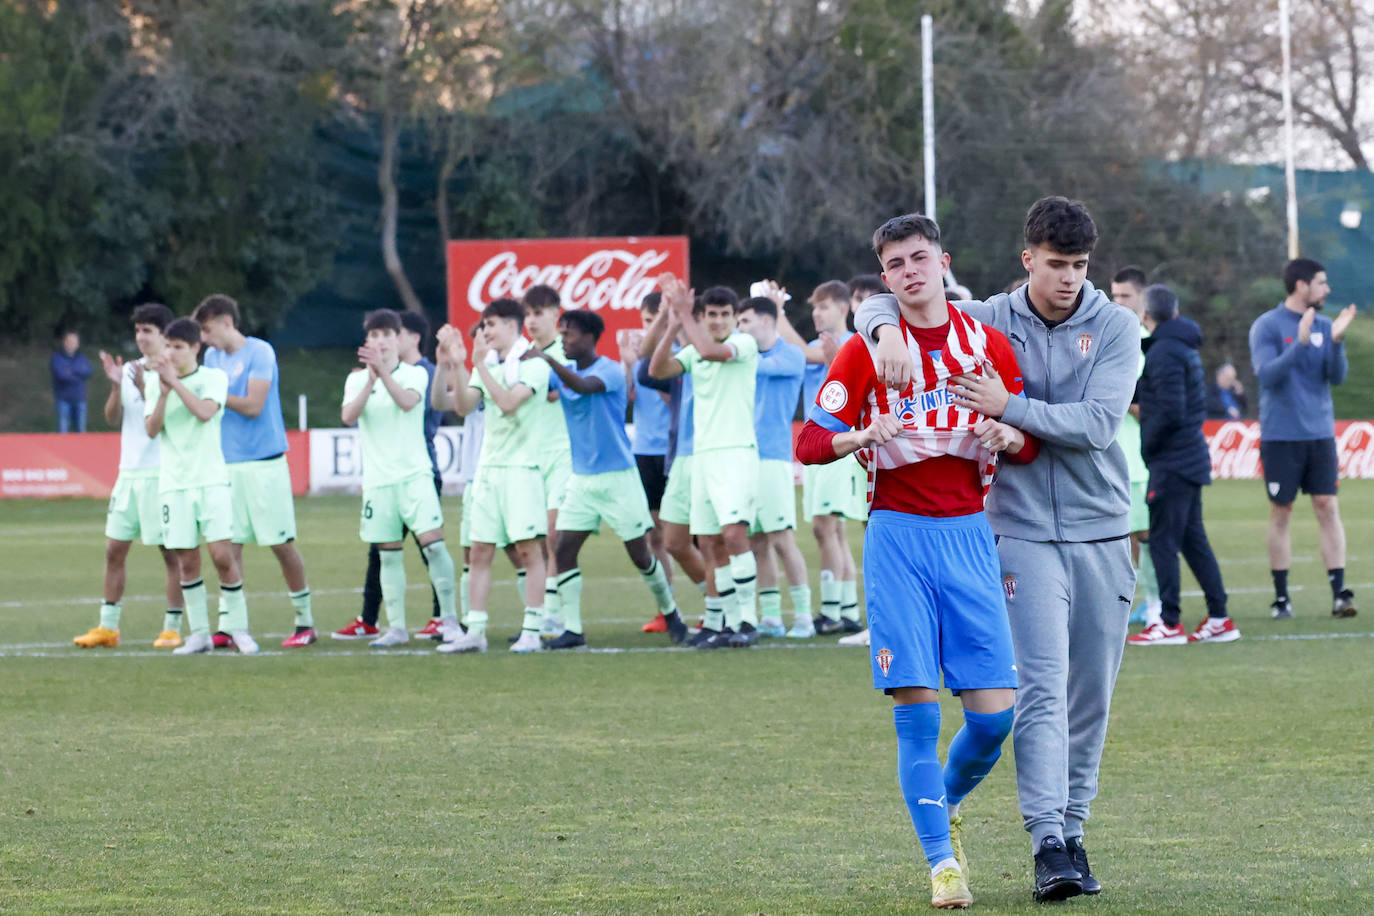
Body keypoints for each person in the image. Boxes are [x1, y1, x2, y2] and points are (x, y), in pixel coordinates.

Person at [856, 197, 1140, 902]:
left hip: (1104, 530)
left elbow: (1098, 425)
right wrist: (883, 328)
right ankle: (1048, 844)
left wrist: (1006, 407)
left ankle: (1074, 828)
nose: (1069, 278)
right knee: (1039, 690)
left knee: (1091, 697)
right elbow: (902, 296)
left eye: (1079, 266)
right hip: (1019, 533)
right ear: (1027, 259)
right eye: (1056, 264)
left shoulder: (1116, 326)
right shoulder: (988, 317)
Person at [800, 213, 1038, 909]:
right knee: (918, 712)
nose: (909, 271)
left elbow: (1028, 439)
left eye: (918, 258)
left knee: (994, 719)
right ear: (885, 277)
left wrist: (1008, 434)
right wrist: (862, 436)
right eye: (895, 263)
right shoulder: (866, 349)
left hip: (969, 536)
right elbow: (810, 442)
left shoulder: (985, 342)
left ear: (943, 262)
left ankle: (946, 801)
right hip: (898, 538)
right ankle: (942, 865)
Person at [525, 309, 687, 648]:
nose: (563, 340)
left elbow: (584, 387)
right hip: (581, 480)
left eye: (568, 334)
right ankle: (572, 630)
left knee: (640, 555)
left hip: (618, 479)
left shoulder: (609, 371)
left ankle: (671, 613)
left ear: (589, 338)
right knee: (563, 551)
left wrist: (548, 360)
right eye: (561, 334)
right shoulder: (563, 371)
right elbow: (539, 390)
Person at [194, 295, 315, 648]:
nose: (204, 338)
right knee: (228, 548)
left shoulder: (260, 352)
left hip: (265, 463)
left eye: (207, 329)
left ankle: (305, 622)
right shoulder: (212, 358)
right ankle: (231, 625)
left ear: (227, 322)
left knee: (281, 544)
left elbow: (253, 405)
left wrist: (215, 395)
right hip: (227, 464)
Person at [339, 309, 460, 648]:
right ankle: (396, 628)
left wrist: (384, 375)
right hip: (378, 482)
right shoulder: (355, 380)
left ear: (397, 339)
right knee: (388, 554)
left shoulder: (415, 374)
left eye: (386, 335)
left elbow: (407, 403)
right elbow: (348, 416)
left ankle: (449, 620)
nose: (380, 341)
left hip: (415, 476)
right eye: (374, 335)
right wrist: (371, 380)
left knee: (434, 546)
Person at [650, 281, 761, 649]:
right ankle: (726, 623)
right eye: (711, 314)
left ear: (735, 318)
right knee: (711, 542)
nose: (717, 321)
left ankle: (748, 620)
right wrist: (672, 324)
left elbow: (712, 352)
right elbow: (657, 369)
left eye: (724, 314)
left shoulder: (743, 344)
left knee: (734, 536)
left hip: (736, 453)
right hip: (703, 457)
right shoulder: (694, 349)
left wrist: (685, 315)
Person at [435, 298, 549, 654]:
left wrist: (480, 366)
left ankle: (533, 630)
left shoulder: (534, 363)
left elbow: (508, 403)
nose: (484, 332)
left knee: (528, 551)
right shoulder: (489, 365)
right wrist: (457, 364)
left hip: (522, 470)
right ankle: (476, 631)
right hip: (487, 471)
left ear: (512, 326)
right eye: (483, 325)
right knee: (479, 552)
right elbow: (463, 406)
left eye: (491, 325)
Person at [1127, 285, 1238, 646]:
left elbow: (1170, 410)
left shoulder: (1165, 351)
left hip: (1173, 460)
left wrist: (1151, 441)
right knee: (1192, 540)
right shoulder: (1179, 346)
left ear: (1146, 315)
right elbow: (1157, 396)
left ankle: (1169, 622)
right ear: (1174, 312)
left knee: (1161, 540)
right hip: (1187, 457)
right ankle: (1219, 618)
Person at [1248, 258, 1358, 619]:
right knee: (1282, 512)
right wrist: (1299, 343)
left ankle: (1340, 594)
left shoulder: (1326, 325)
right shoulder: (1267, 325)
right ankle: (1282, 599)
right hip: (1281, 436)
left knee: (1327, 506)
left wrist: (1336, 342)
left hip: (1320, 434)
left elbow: (1336, 377)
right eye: (1321, 283)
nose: (1327, 289)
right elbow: (1267, 376)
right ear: (1301, 285)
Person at [73, 304, 185, 649]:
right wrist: (115, 387)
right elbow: (112, 418)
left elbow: (164, 422)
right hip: (128, 474)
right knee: (114, 550)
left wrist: (147, 387)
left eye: (147, 330)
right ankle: (108, 627)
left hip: (161, 474)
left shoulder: (173, 372)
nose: (140, 337)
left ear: (164, 335)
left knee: (171, 553)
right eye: (137, 331)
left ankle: (172, 627)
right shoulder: (130, 369)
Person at [143, 318, 257, 655]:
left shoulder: (213, 378)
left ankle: (238, 629)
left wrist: (175, 385)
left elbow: (205, 412)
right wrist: (163, 392)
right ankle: (200, 634)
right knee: (187, 561)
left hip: (210, 481)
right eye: (168, 346)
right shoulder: (155, 383)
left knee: (222, 556)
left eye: (178, 347)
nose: (170, 353)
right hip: (174, 484)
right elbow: (151, 429)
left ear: (195, 348)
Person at [778, 279, 869, 640]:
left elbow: (801, 353)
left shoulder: (850, 342)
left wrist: (777, 312)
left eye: (824, 306)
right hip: (820, 442)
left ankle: (831, 610)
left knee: (824, 525)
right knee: (831, 529)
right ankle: (846, 609)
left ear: (844, 309)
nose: (817, 313)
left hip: (839, 444)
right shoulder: (820, 345)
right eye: (814, 307)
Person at [735, 296, 812, 639]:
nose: (739, 329)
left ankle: (804, 617)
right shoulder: (748, 355)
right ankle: (770, 617)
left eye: (745, 321)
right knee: (756, 541)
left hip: (773, 459)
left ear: (767, 321)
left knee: (782, 539)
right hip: (745, 457)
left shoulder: (791, 355)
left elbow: (760, 366)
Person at [1109, 266, 1161, 627]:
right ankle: (1135, 601)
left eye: (1125, 296)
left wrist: (1120, 398)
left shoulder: (1148, 345)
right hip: (1114, 457)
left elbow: (1148, 404)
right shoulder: (1110, 337)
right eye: (1114, 296)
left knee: (1145, 535)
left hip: (1141, 459)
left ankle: (1156, 602)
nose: (1119, 302)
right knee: (1122, 537)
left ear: (1143, 298)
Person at [626, 292, 679, 632]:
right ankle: (667, 608)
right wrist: (627, 364)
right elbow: (625, 397)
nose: (650, 328)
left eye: (655, 321)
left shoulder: (680, 357)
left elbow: (675, 400)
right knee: (654, 536)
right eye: (646, 322)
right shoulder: (638, 359)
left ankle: (717, 606)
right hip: (644, 451)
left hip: (674, 451)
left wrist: (655, 368)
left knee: (691, 538)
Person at [522, 284, 572, 637]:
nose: (531, 320)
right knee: (535, 539)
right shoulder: (521, 357)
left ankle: (553, 613)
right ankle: (543, 610)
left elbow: (565, 391)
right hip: (530, 455)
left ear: (556, 314)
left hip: (563, 453)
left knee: (555, 536)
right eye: (527, 314)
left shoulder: (566, 354)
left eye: (538, 313)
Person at [51, 330, 93, 433]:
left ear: (78, 344)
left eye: (74, 342)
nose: (71, 344)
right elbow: (62, 375)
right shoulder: (57, 358)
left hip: (80, 399)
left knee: (81, 431)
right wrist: (79, 373)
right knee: (63, 431)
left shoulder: (82, 358)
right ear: (64, 342)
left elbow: (88, 371)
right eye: (69, 341)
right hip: (63, 400)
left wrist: (71, 370)